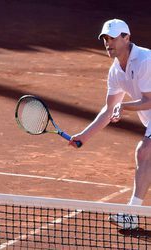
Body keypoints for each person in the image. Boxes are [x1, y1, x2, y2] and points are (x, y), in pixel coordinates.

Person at [69, 18, 151, 229]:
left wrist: (124, 107)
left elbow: (150, 100)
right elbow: (108, 110)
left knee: (145, 151)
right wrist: (84, 136)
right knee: (145, 153)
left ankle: (132, 214)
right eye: (105, 38)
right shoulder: (115, 71)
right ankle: (133, 214)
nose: (108, 43)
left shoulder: (144, 60)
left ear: (127, 38)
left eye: (113, 38)